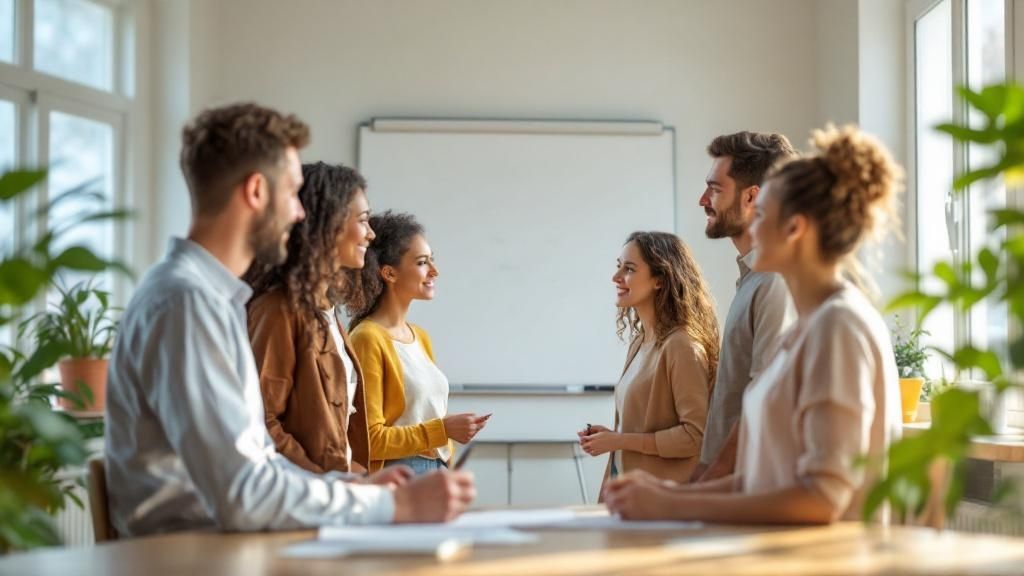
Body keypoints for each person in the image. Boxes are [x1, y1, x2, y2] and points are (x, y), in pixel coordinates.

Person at [105, 103, 474, 537]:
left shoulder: (204, 299)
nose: (300, 214)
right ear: (257, 191)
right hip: (195, 557)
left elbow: (255, 469)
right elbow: (244, 494)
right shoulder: (187, 304)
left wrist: (353, 489)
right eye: (291, 193)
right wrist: (384, 504)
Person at [605, 125, 903, 524]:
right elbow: (764, 476)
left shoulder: (839, 326)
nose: (753, 230)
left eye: (761, 215)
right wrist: (671, 492)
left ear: (794, 228)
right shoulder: (808, 326)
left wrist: (675, 504)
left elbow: (824, 498)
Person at [244, 162, 382, 476]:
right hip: (305, 500)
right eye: (362, 221)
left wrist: (364, 476)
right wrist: (327, 483)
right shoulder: (278, 310)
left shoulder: (327, 313)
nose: (371, 234)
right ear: (328, 225)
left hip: (335, 494)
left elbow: (333, 437)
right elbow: (260, 421)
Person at [347, 211, 490, 475]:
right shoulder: (367, 338)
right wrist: (444, 430)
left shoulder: (420, 337)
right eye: (423, 262)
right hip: (399, 474)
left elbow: (421, 423)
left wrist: (448, 438)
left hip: (437, 469)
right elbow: (368, 440)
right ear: (389, 273)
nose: (434, 271)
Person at [692, 131, 797, 482]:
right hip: (727, 486)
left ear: (752, 197)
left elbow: (762, 404)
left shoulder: (774, 283)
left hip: (745, 489)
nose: (702, 200)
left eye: (715, 189)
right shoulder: (753, 279)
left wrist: (702, 485)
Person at [578, 231, 719, 487]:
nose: (616, 277)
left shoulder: (682, 346)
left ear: (660, 280)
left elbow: (694, 436)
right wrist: (613, 436)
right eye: (619, 267)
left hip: (665, 501)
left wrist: (620, 440)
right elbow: (643, 429)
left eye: (629, 269)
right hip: (631, 490)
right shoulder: (639, 342)